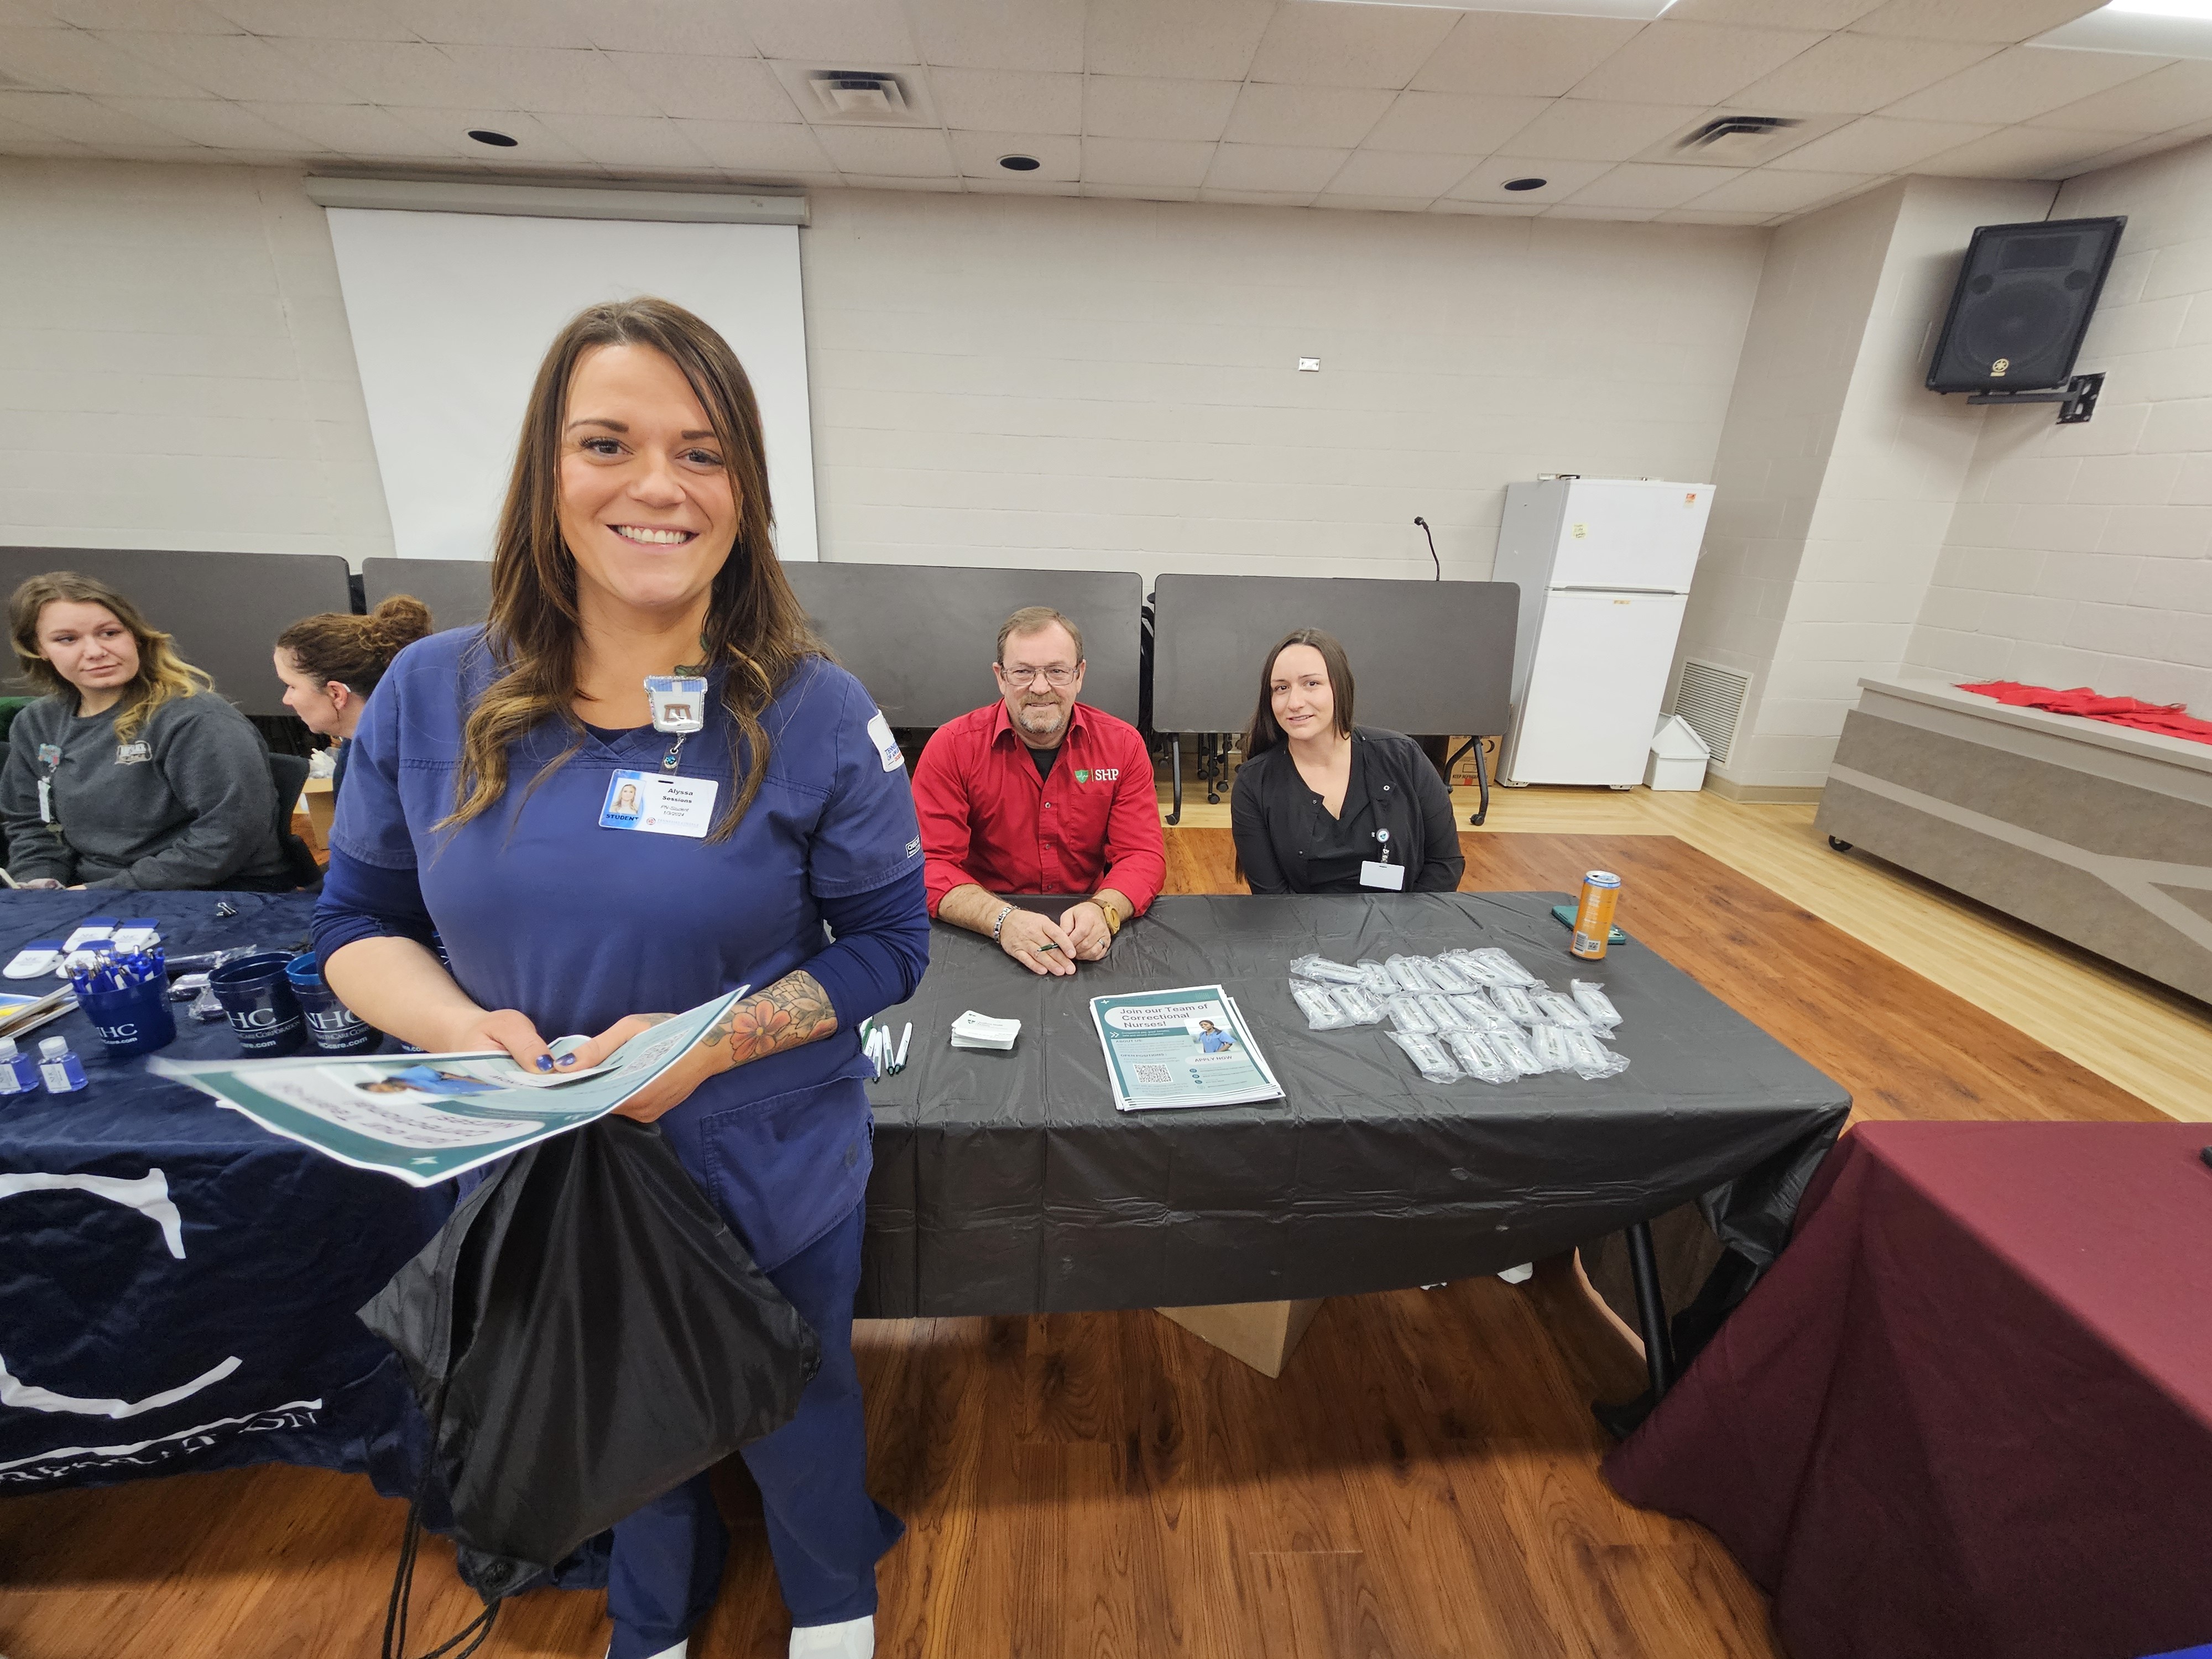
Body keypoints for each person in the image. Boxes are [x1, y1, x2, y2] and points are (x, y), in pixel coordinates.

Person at [311, 297, 926, 1659]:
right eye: (608, 442)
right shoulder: (425, 694)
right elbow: (356, 918)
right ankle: (651, 1609)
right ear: (548, 472)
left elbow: (890, 945)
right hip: (536, 1166)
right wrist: (465, 1027)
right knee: (616, 1404)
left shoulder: (812, 711)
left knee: (798, 1395)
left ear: (745, 492)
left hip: (760, 1161)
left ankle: (831, 1596)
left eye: (702, 453)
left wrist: (706, 1044)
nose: (658, 485)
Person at [910, 607, 1165, 975]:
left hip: (1086, 925)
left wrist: (1104, 910)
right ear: (1001, 677)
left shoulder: (1123, 745)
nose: (1040, 687)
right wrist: (1002, 921)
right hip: (985, 927)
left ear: (1080, 676)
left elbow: (1142, 854)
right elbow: (930, 864)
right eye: (1023, 672)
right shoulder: (951, 747)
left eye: (1057, 671)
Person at [1, 571, 293, 891]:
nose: (96, 651)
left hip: (214, 892)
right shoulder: (36, 724)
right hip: (90, 893)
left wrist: (103, 892)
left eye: (110, 633)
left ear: (136, 636)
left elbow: (230, 834)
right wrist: (39, 881)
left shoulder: (197, 719)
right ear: (38, 648)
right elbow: (32, 825)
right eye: (67, 639)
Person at [1230, 628, 1464, 895]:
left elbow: (1445, 864)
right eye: (1281, 688)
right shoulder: (1254, 783)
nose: (1294, 702)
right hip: (1303, 932)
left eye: (1311, 684)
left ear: (1339, 687)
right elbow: (1272, 896)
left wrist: (1401, 931)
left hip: (1403, 927)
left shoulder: (1403, 756)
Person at [273, 593, 434, 799]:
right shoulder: (362, 749)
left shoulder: (392, 770)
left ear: (336, 693)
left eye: (292, 686)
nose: (287, 699)